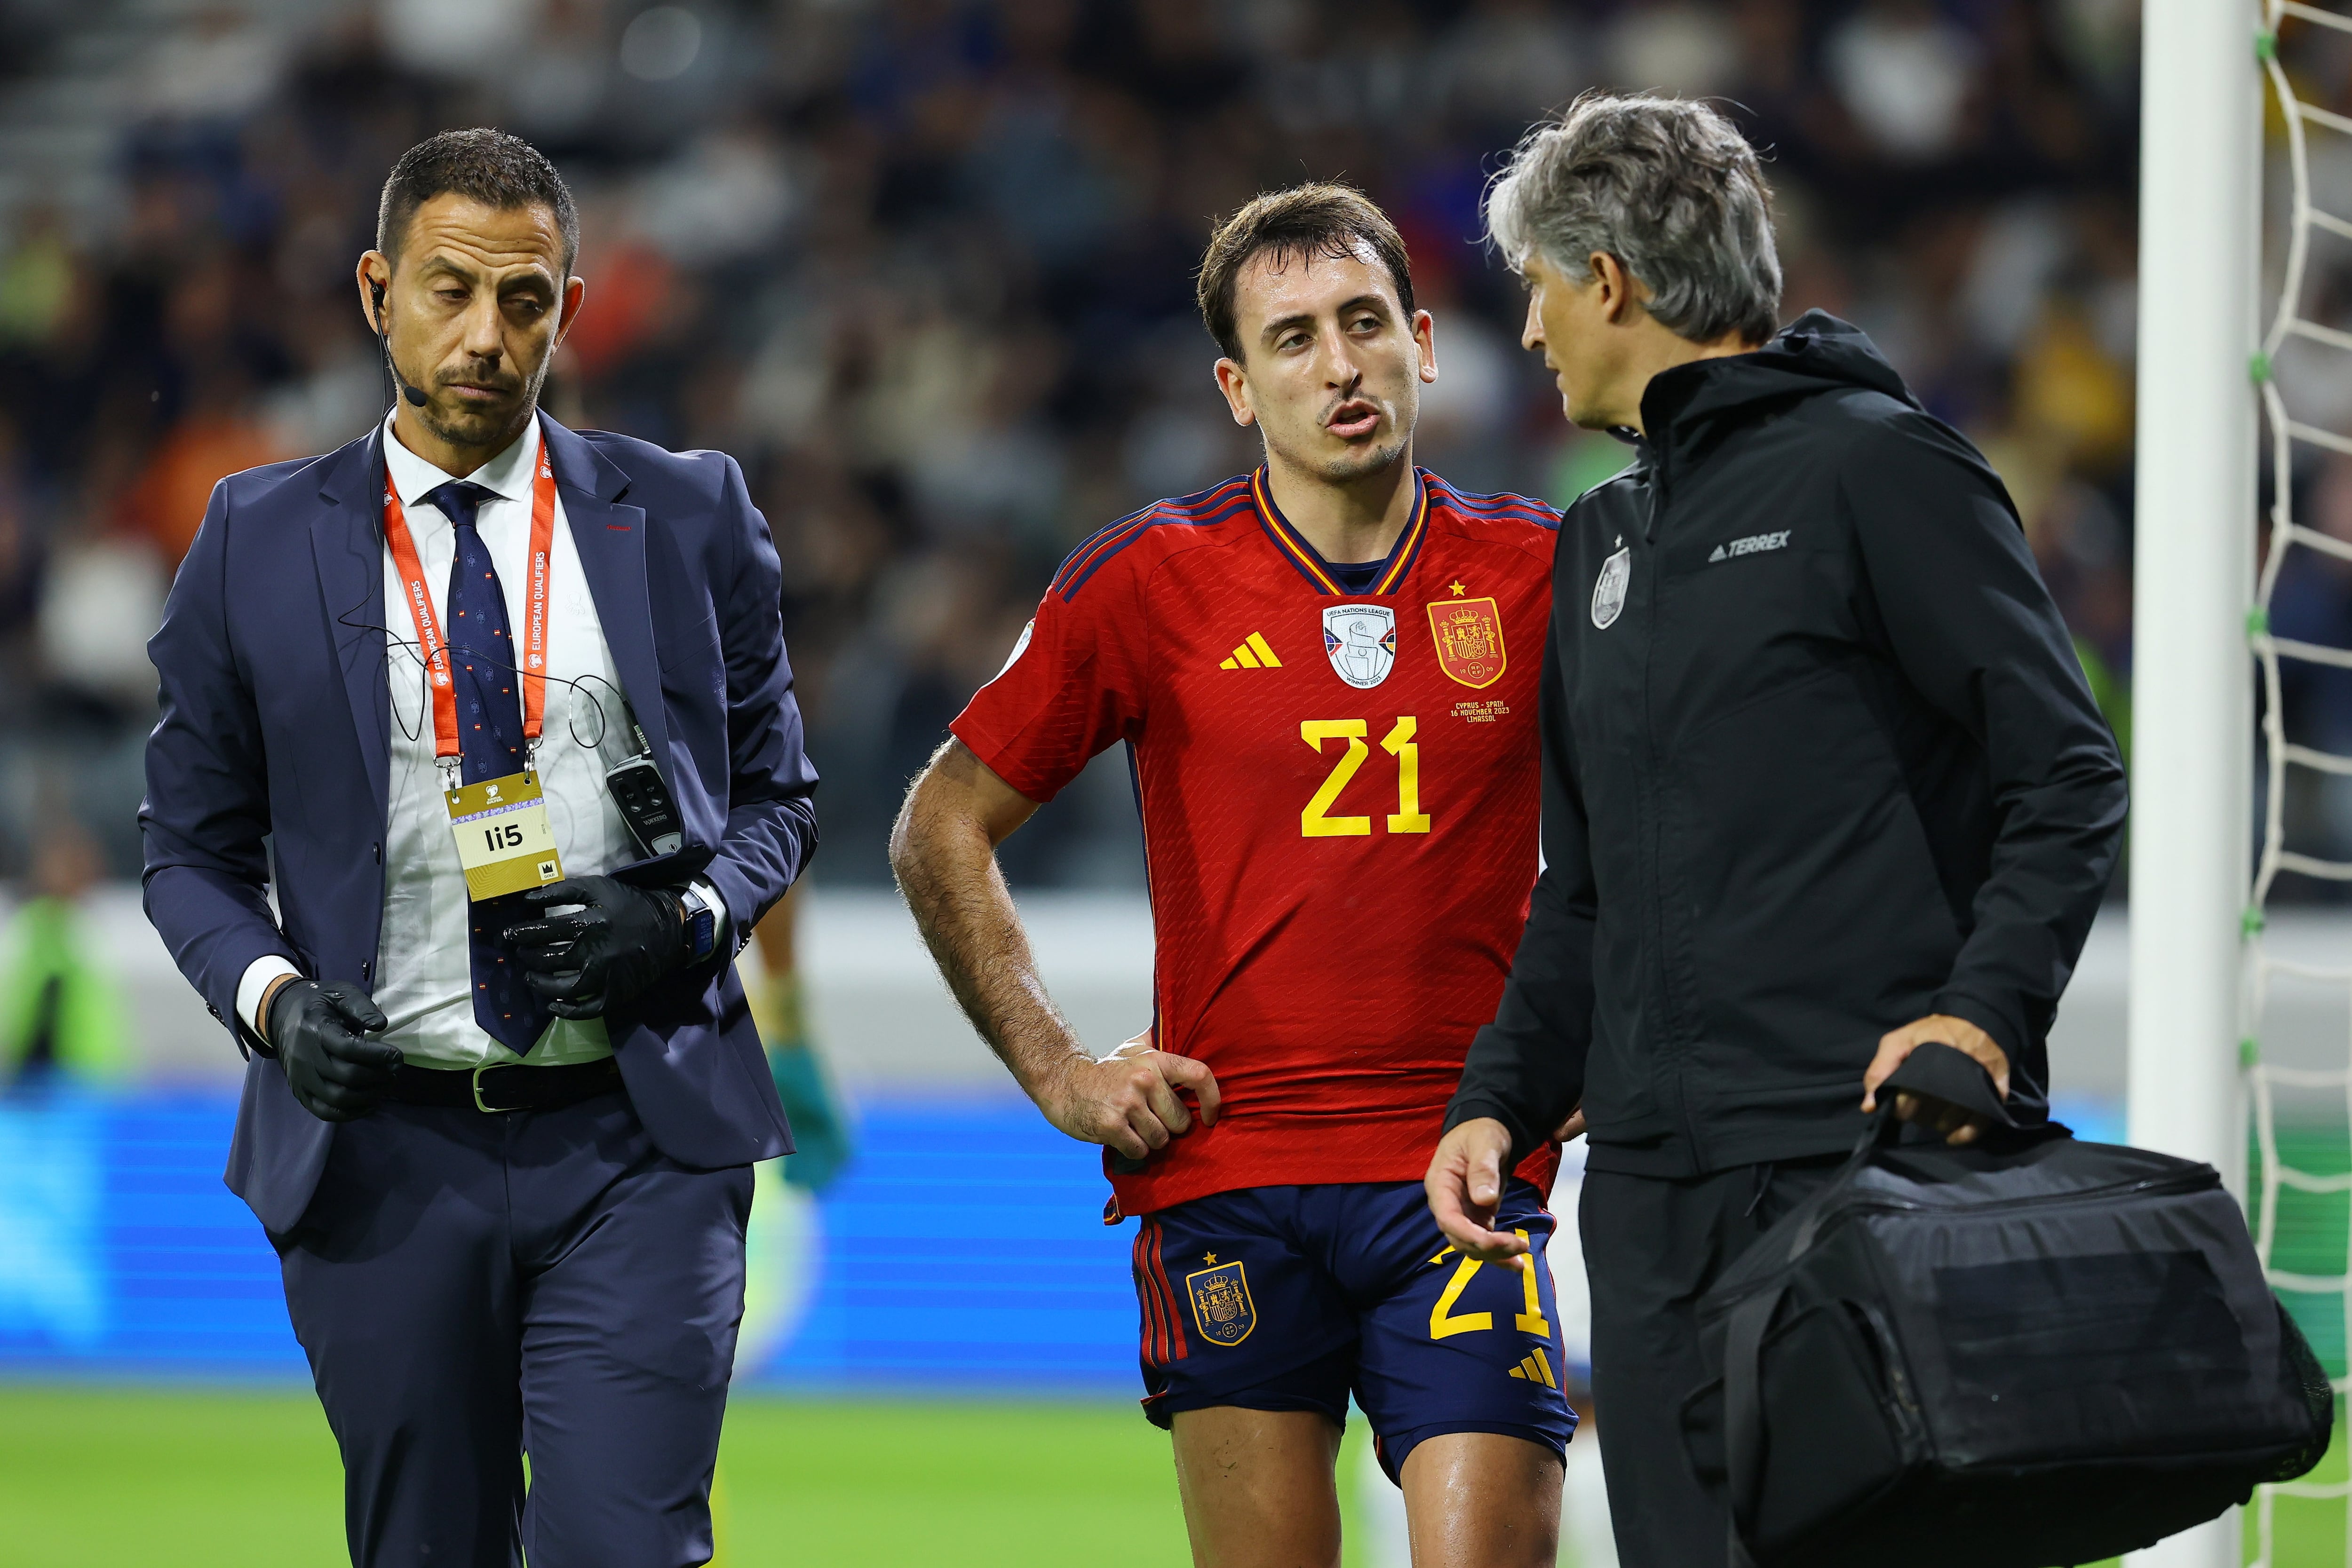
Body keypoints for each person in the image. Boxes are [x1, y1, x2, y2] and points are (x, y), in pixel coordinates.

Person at [1421, 94, 2129, 1568]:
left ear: (1608, 279)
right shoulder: (1600, 543)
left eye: (1539, 292)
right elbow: (1589, 886)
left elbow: (2064, 773)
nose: (1532, 334)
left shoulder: (1880, 468)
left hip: (1858, 1161)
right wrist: (1499, 1096)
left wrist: (1982, 1020)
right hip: (1658, 1200)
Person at [139, 128, 817, 1568]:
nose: (487, 337)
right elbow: (186, 851)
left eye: (527, 302)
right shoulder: (253, 538)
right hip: (380, 1146)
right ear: (378, 291)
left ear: (568, 307)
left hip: (640, 1139)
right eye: (450, 292)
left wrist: (689, 919)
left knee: (626, 1548)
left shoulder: (686, 513)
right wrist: (272, 1002)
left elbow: (781, 801)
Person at [891, 184, 1573, 1568]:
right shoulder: (1148, 584)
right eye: (1296, 338)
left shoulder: (1539, 573)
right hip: (1225, 1175)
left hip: (1461, 1167)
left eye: (1366, 324)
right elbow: (939, 823)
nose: (1340, 366)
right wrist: (1059, 1069)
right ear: (1237, 385)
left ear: (1426, 344)